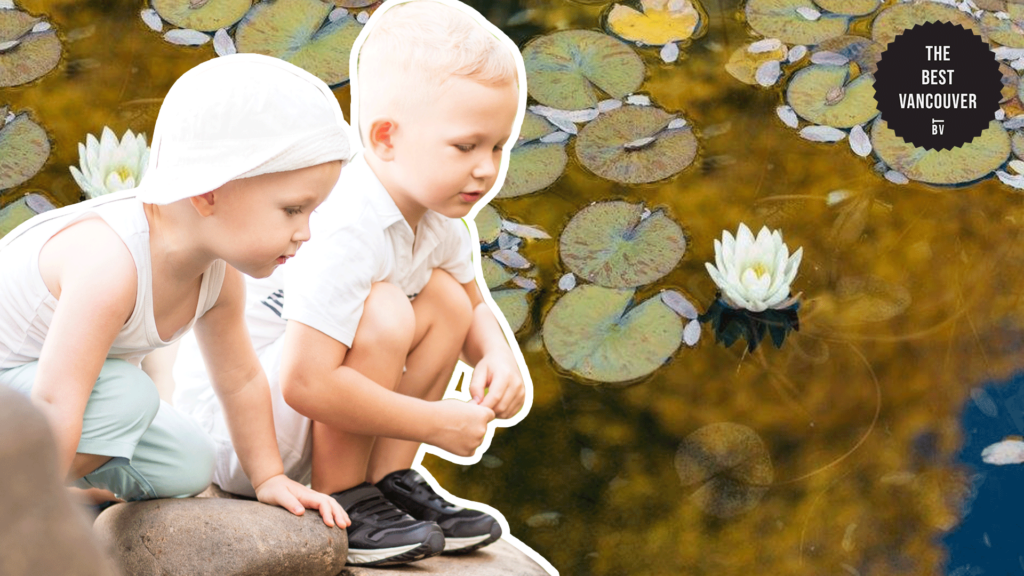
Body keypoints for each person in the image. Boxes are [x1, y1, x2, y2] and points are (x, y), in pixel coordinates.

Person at [172, 0, 527, 567]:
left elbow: (471, 302)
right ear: (385, 137)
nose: (487, 168)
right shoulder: (346, 223)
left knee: (442, 299)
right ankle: (346, 498)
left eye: (498, 147)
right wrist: (435, 422)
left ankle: (388, 480)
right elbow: (305, 384)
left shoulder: (440, 219)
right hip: (247, 433)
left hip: (309, 419)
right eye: (466, 146)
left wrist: (498, 360)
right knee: (385, 308)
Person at [0, 54, 350, 529]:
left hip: (55, 398)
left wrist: (269, 477)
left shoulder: (218, 275)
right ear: (208, 193)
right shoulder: (111, 264)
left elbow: (241, 378)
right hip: (24, 391)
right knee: (130, 397)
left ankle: (73, 493)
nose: (305, 232)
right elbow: (55, 401)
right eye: (292, 210)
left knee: (187, 462)